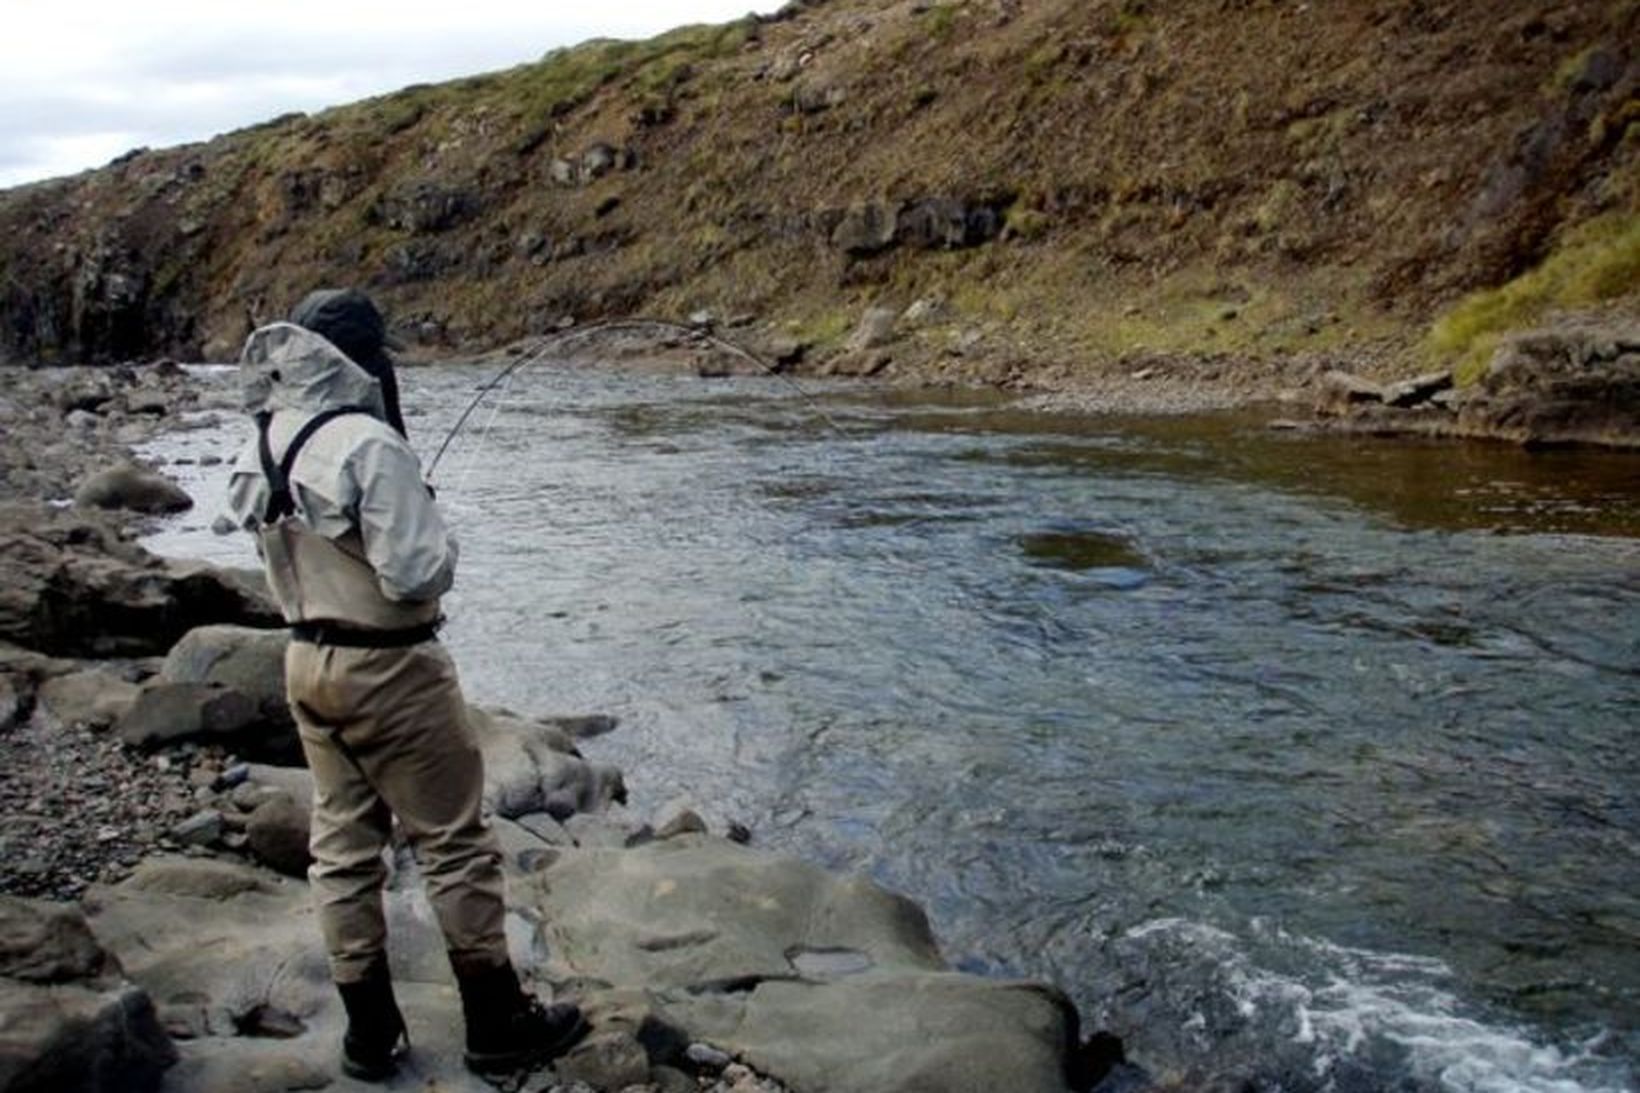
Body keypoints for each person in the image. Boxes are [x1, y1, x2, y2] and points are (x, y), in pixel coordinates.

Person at [221, 289, 585, 1082]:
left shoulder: (264, 437)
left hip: (306, 663)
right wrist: (434, 524)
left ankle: (369, 1034)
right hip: (392, 669)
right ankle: (496, 1022)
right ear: (364, 358)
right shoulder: (368, 442)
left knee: (343, 849)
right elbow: (417, 570)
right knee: (453, 842)